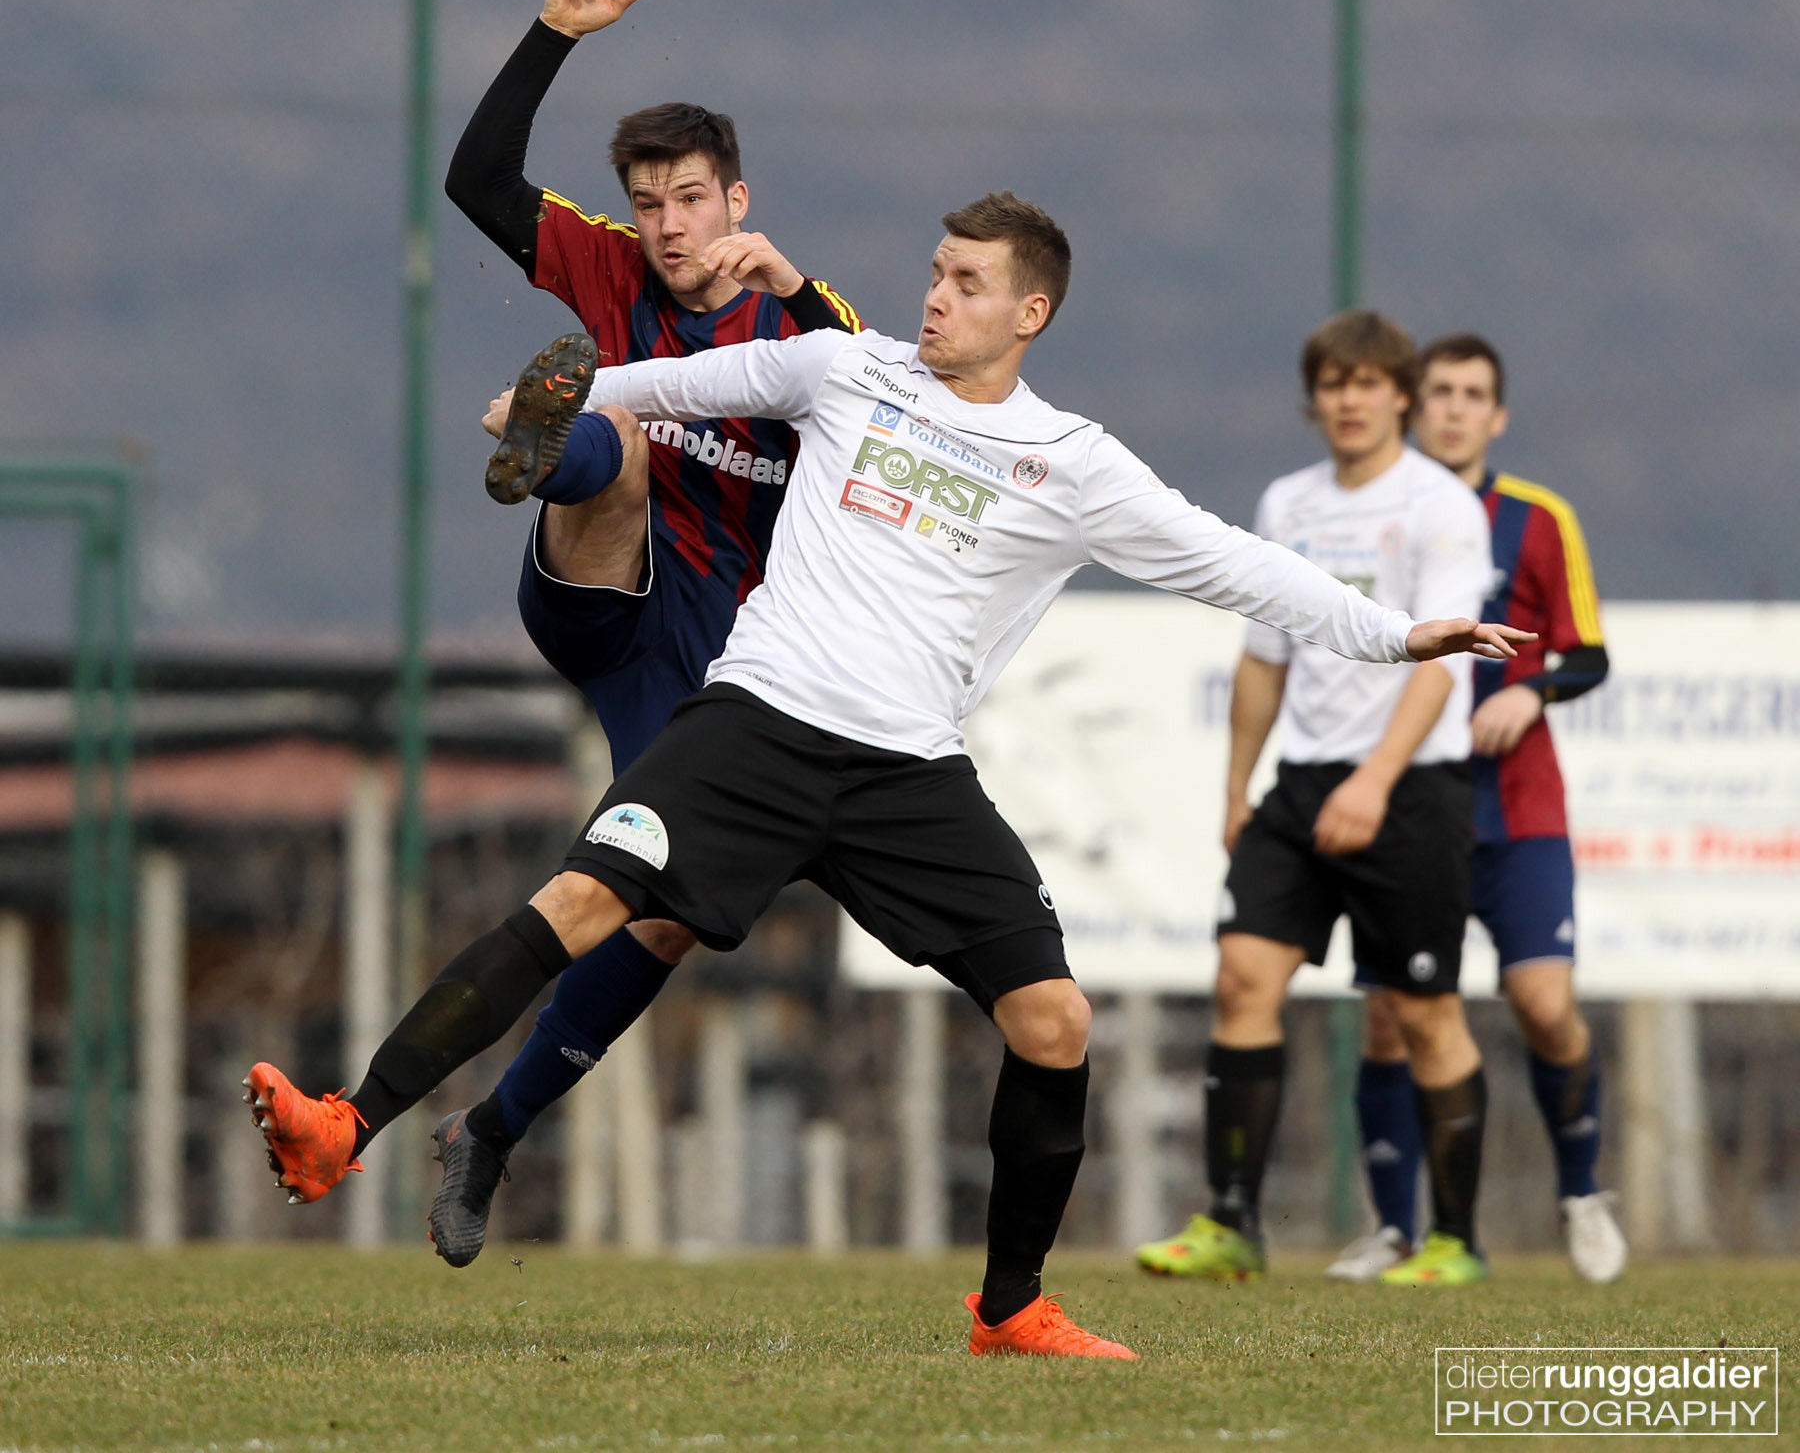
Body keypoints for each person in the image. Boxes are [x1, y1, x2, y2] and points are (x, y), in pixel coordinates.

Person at [245, 197, 1528, 1359]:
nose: (934, 297)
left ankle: (1012, 1306)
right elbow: (686, 381)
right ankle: (344, 1127)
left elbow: (1228, 560)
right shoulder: (844, 368)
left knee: (1056, 1024)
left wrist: (1392, 633)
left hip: (907, 770)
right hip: (753, 725)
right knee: (585, 904)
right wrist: (556, 408)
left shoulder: (1072, 461)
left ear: (1029, 313)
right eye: (932, 272)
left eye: (966, 283)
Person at [432, 0, 862, 1265]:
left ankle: (491, 1133)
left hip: (701, 667)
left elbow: (861, 380)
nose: (669, 226)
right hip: (594, 581)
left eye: (690, 200)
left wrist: (789, 290)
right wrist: (551, 34)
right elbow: (475, 183)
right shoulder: (614, 270)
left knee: (661, 913)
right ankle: (544, 441)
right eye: (649, 202)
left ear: (738, 199)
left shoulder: (806, 326)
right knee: (611, 441)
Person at [1136, 310, 1499, 1288]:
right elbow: (1264, 658)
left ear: (1401, 397)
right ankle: (1232, 1224)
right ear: (1317, 399)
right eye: (1333, 384)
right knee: (1241, 981)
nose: (1349, 399)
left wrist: (1376, 782)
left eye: (1368, 383)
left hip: (1410, 787)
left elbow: (1440, 662)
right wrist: (1235, 787)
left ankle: (1454, 1241)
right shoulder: (1287, 503)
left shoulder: (1440, 507)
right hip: (1298, 789)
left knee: (1422, 1013)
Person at [1328, 332, 1622, 1284]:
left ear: (1496, 416)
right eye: (1441, 391)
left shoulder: (1537, 520)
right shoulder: (1375, 514)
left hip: (1518, 814)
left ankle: (1580, 1193)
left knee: (1544, 1004)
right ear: (1415, 406)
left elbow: (1586, 653)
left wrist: (1528, 692)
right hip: (1417, 808)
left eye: (1473, 395)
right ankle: (1395, 1229)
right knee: (1390, 1017)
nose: (1454, 408)